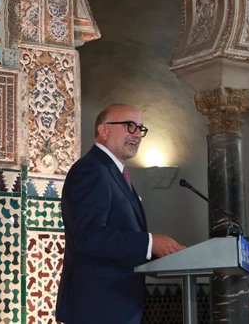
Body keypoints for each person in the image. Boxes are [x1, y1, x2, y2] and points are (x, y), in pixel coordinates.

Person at [56, 104, 185, 323]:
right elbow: (89, 237)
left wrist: (166, 253)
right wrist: (150, 243)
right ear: (103, 130)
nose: (137, 135)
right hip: (97, 307)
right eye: (129, 126)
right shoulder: (91, 170)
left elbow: (119, 237)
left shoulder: (114, 172)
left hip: (117, 306)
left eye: (140, 129)